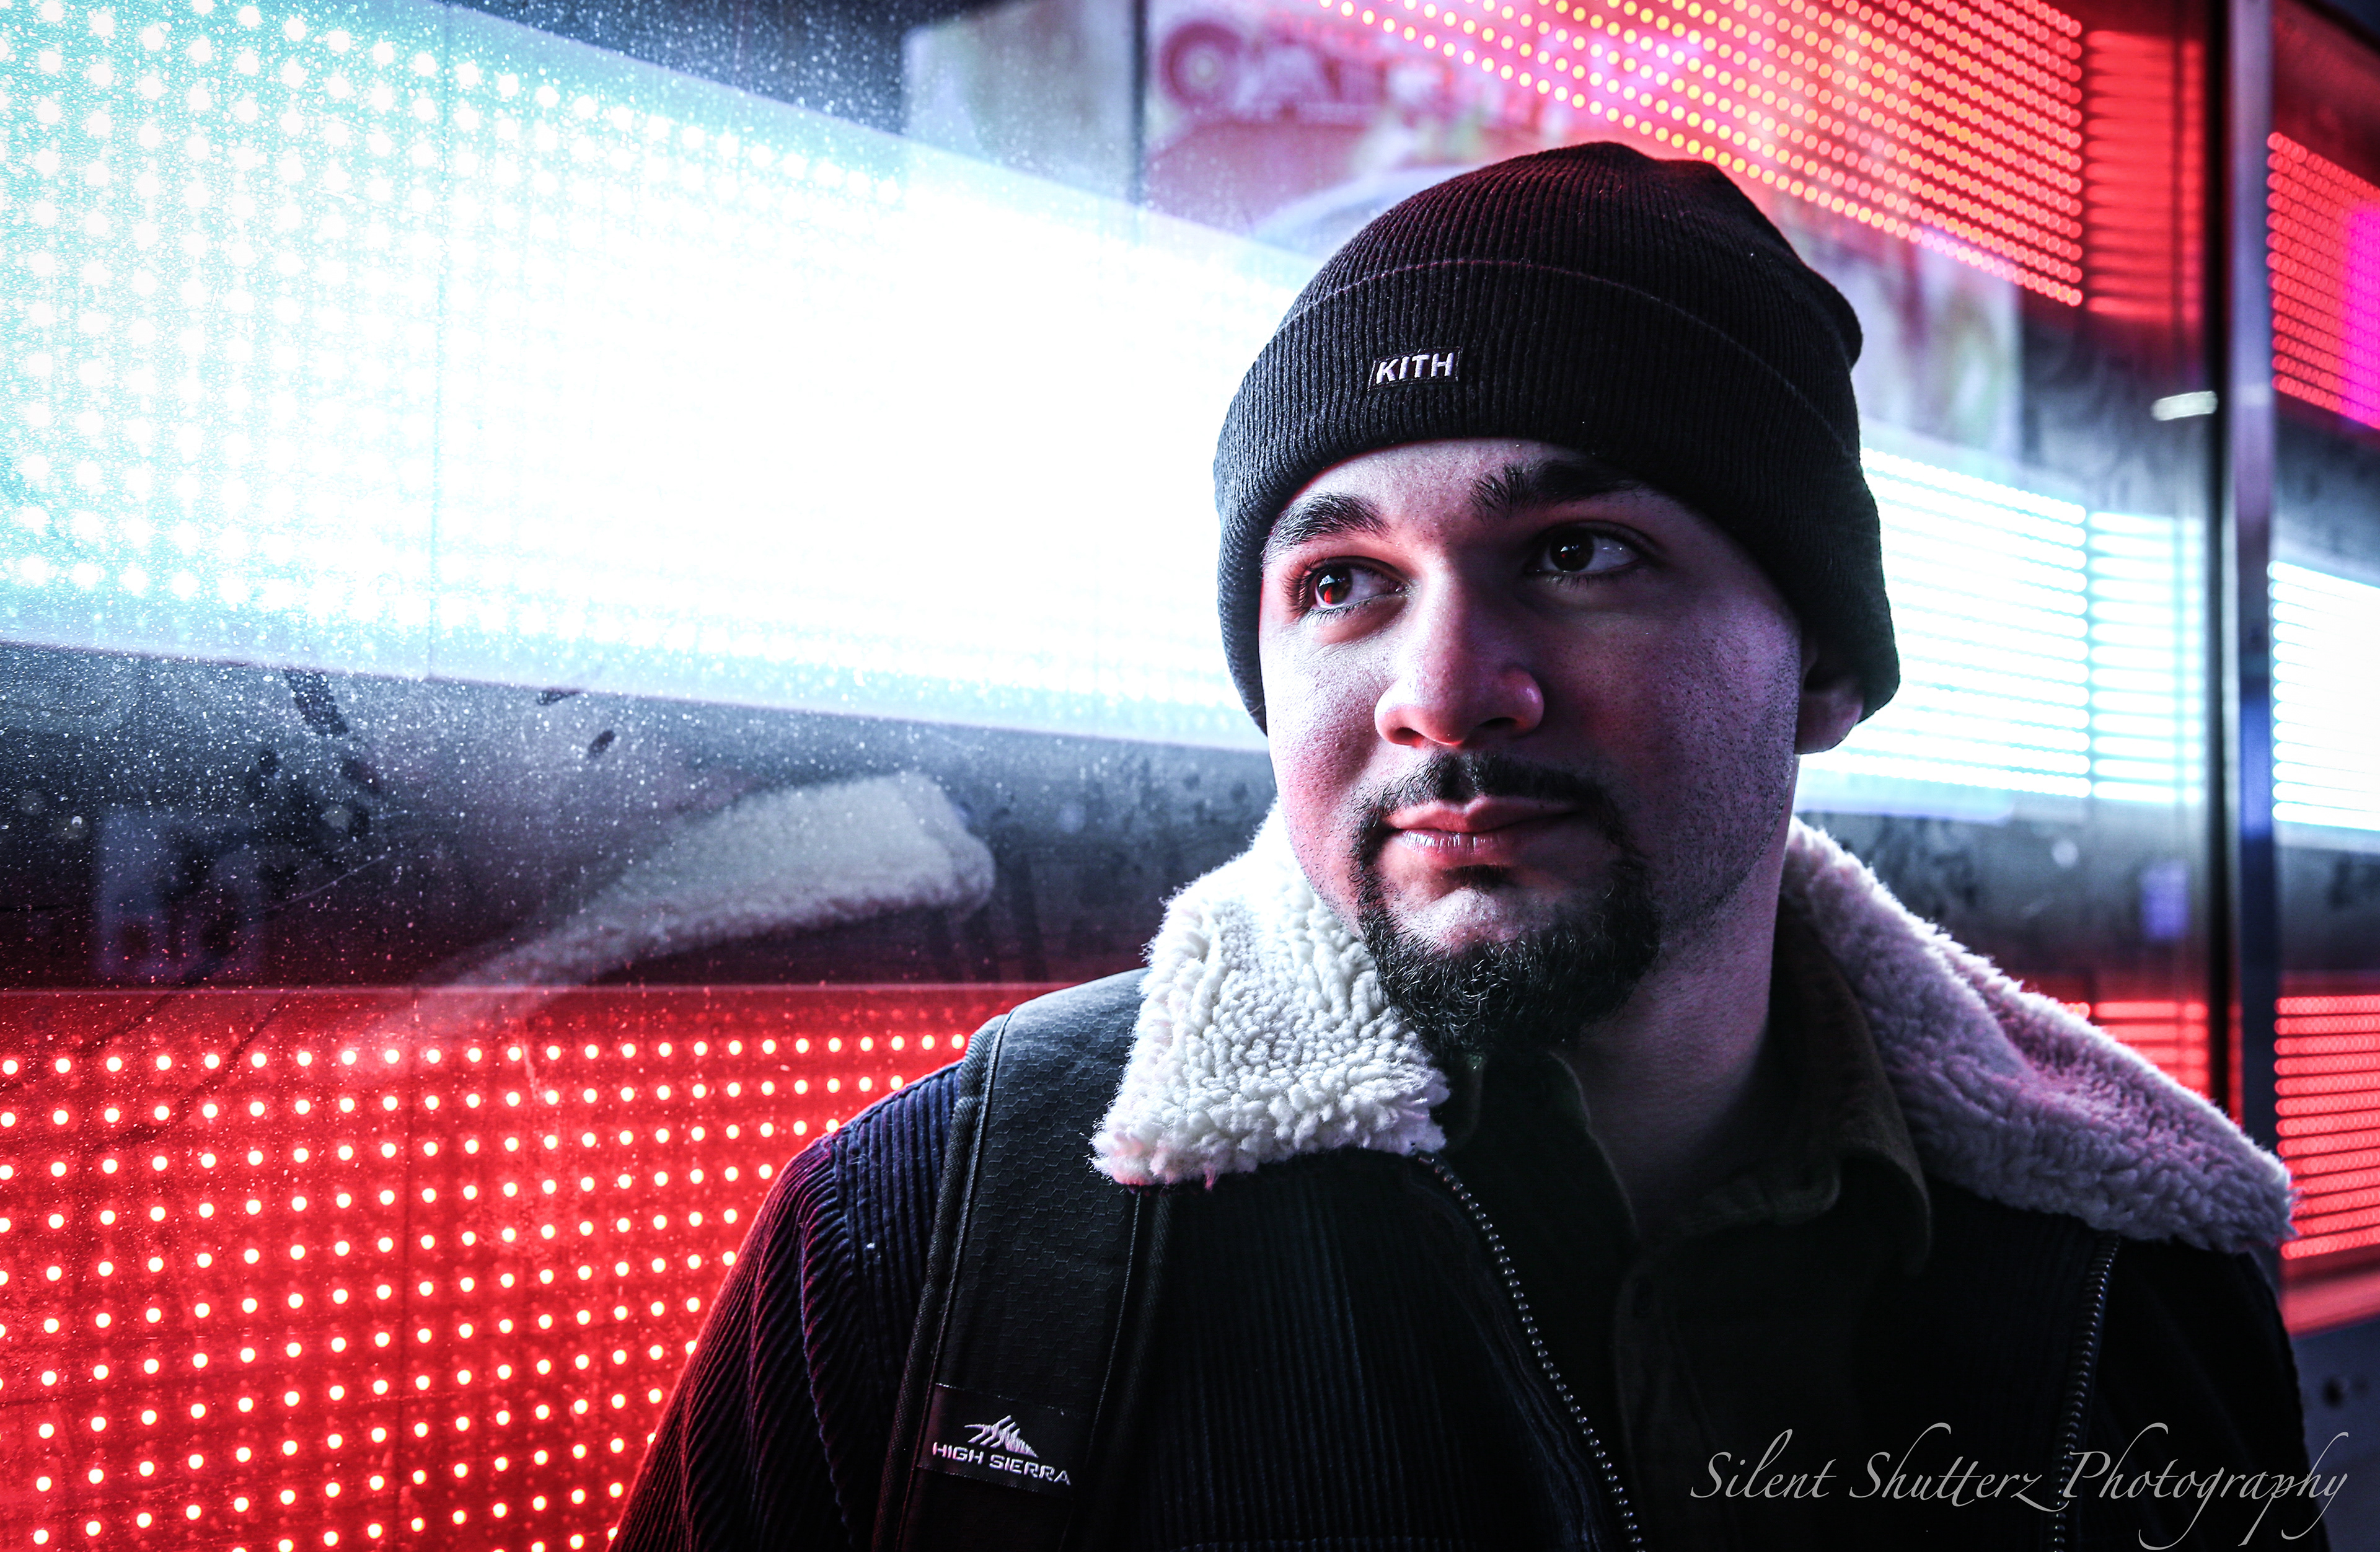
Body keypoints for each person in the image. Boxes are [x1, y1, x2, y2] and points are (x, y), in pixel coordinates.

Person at [614, 144, 2325, 1550]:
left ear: (1820, 663)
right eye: (1341, 583)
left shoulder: (2143, 1273)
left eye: (1578, 553)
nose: (1442, 696)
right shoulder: (932, 1244)